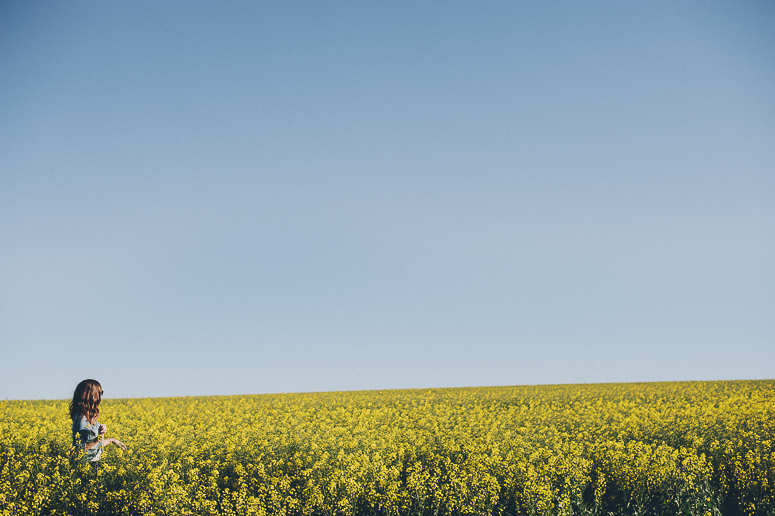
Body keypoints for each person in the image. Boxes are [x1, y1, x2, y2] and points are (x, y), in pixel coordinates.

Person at [69, 379, 126, 462]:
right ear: (92, 396)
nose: (100, 396)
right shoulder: (82, 419)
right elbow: (79, 449)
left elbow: (95, 445)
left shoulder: (89, 417)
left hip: (94, 462)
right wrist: (98, 438)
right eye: (100, 393)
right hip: (86, 465)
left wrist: (111, 440)